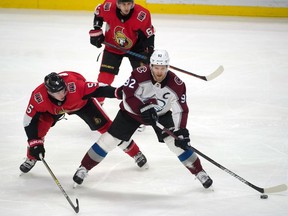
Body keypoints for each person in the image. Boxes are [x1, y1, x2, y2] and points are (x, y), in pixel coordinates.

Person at [73, 50, 213, 189]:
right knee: (109, 140)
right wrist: (143, 109)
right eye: (156, 68)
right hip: (131, 113)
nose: (159, 72)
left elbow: (181, 109)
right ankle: (83, 168)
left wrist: (181, 130)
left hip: (161, 115)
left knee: (176, 143)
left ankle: (199, 172)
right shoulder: (138, 74)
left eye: (163, 68)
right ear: (151, 66)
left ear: (167, 67)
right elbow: (127, 96)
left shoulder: (177, 84)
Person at [19, 71, 148, 174]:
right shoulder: (38, 97)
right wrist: (34, 142)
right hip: (52, 111)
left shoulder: (75, 86)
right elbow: (28, 121)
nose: (62, 94)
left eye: (63, 89)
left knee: (111, 130)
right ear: (48, 92)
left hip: (82, 105)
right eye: (57, 92)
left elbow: (100, 89)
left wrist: (119, 92)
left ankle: (136, 153)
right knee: (37, 134)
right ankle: (31, 157)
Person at [89, 0, 155, 104]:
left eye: (129, 4)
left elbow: (149, 35)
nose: (126, 7)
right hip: (112, 46)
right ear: (118, 4)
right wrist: (97, 30)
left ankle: (148, 101)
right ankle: (98, 102)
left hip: (136, 48)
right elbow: (98, 13)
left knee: (143, 76)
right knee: (105, 76)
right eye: (124, 4)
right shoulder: (108, 6)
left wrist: (149, 50)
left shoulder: (142, 14)